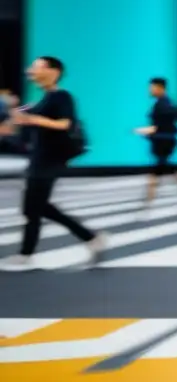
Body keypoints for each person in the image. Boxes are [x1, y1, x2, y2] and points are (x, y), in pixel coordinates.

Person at [0, 56, 107, 269]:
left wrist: (33, 119)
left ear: (53, 71)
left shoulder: (62, 96)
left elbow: (65, 124)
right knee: (39, 208)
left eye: (36, 66)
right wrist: (16, 116)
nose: (31, 70)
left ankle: (26, 255)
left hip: (49, 160)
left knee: (33, 208)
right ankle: (91, 238)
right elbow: (16, 121)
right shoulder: (44, 99)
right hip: (40, 159)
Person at [134, 77, 177, 211]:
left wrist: (141, 130)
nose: (150, 90)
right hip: (165, 141)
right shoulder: (164, 103)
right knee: (166, 167)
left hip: (163, 141)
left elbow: (158, 126)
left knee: (156, 170)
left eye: (152, 87)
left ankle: (149, 199)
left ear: (160, 88)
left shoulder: (163, 105)